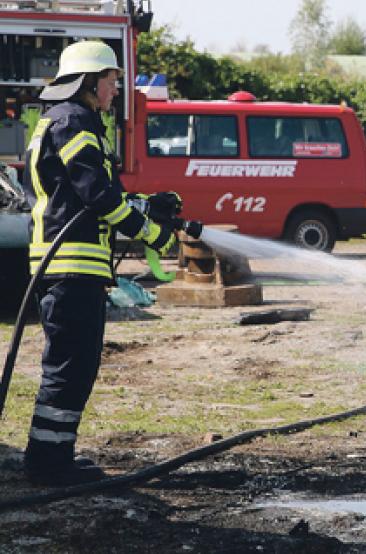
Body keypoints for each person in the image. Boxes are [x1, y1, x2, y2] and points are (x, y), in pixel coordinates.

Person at [22, 40, 176, 486]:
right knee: (70, 367)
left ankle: (53, 456)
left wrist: (150, 205)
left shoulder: (66, 121)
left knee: (73, 366)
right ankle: (48, 464)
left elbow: (91, 196)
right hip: (70, 266)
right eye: (111, 81)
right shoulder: (75, 122)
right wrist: (151, 233)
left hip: (69, 266)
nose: (115, 90)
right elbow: (99, 196)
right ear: (90, 82)